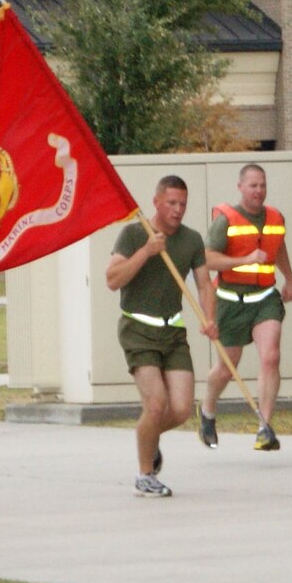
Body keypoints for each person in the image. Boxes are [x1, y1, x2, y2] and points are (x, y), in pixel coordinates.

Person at [105, 176, 217, 498]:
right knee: (156, 404)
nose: (178, 210)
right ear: (156, 202)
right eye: (171, 203)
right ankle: (145, 474)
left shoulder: (191, 240)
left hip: (173, 332)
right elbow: (113, 280)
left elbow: (204, 284)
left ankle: (147, 438)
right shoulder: (134, 233)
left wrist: (210, 319)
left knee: (180, 409)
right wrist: (147, 251)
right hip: (138, 329)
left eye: (182, 204)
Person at [199, 163, 292, 452]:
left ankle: (265, 427)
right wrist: (242, 262)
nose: (259, 191)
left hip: (265, 298)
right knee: (226, 369)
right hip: (231, 301)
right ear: (240, 187)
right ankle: (207, 411)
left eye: (263, 185)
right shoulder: (226, 220)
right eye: (253, 185)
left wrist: (289, 279)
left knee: (271, 357)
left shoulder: (275, 217)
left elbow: (277, 247)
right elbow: (208, 260)